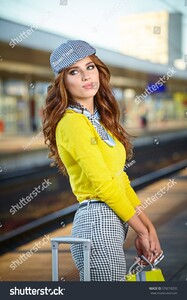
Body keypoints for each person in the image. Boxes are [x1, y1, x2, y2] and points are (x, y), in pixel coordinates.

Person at [43, 40, 162, 281]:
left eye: (90, 67)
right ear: (63, 81)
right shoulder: (72, 123)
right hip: (97, 222)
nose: (87, 76)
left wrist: (148, 227)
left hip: (113, 222)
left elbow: (120, 179)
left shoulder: (100, 121)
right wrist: (141, 231)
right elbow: (103, 185)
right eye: (74, 71)